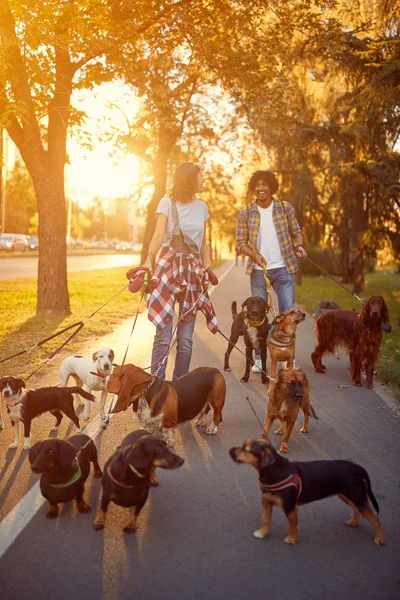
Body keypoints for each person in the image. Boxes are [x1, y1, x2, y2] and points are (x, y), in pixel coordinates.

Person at [141, 162, 218, 381]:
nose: (203, 179)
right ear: (189, 178)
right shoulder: (166, 203)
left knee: (185, 340)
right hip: (168, 265)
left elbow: (203, 241)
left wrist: (207, 262)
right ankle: (155, 386)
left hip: (192, 269)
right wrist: (149, 260)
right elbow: (157, 236)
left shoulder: (202, 207)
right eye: (201, 175)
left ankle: (179, 387)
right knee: (163, 336)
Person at [236, 170, 307, 372]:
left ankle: (285, 356)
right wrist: (254, 255)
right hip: (259, 271)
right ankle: (259, 358)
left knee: (288, 315)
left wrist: (299, 246)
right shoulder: (246, 213)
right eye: (257, 185)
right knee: (257, 317)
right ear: (253, 188)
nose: (260, 188)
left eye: (264, 184)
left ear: (271, 186)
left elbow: (296, 232)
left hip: (284, 268)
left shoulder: (284, 208)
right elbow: (241, 243)